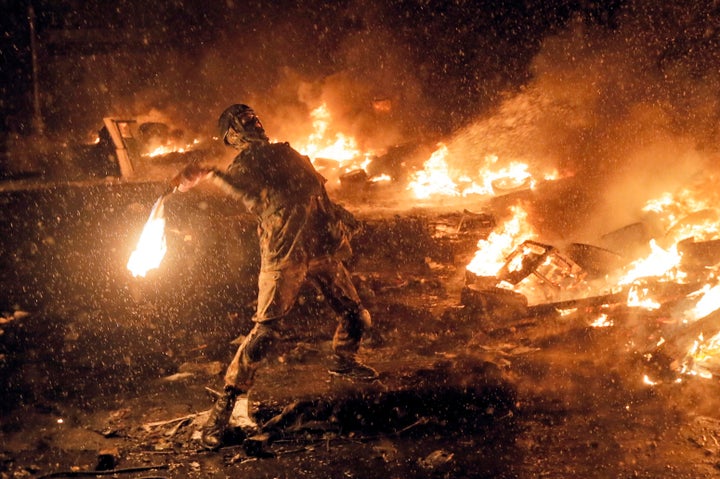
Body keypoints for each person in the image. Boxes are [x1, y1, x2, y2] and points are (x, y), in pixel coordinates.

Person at [169, 104, 378, 450]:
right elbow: (244, 191)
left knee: (356, 315)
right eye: (244, 121)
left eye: (254, 117)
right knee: (265, 332)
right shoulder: (247, 162)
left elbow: (316, 193)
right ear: (231, 135)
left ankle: (344, 360)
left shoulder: (287, 153)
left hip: (321, 247)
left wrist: (341, 216)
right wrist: (209, 173)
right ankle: (223, 408)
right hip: (285, 252)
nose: (255, 122)